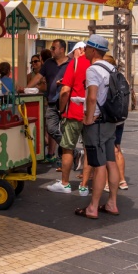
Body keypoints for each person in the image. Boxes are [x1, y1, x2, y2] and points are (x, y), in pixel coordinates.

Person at [72, 35, 120, 219]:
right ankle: (112, 203)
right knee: (111, 162)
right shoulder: (112, 67)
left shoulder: (93, 69)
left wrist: (88, 119)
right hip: (110, 120)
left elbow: (92, 97)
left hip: (97, 122)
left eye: (86, 49)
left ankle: (92, 207)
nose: (84, 52)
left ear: (93, 50)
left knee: (98, 165)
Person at [50, 41, 90, 194]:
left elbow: (65, 91)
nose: (72, 55)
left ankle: (65, 184)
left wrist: (61, 109)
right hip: (91, 113)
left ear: (80, 50)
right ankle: (84, 186)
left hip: (73, 112)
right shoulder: (95, 63)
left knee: (67, 148)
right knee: (88, 150)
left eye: (73, 52)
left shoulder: (75, 63)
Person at [26, 40, 69, 163]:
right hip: (51, 102)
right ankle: (71, 150)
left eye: (53, 48)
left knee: (65, 131)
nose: (51, 50)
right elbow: (38, 77)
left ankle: (64, 157)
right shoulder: (49, 63)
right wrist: (26, 89)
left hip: (66, 102)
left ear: (62, 49)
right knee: (51, 129)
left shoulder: (71, 64)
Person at [103, 54, 129, 191]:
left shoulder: (106, 77)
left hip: (109, 117)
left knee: (108, 150)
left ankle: (107, 182)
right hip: (121, 118)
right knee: (118, 148)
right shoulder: (121, 77)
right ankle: (122, 180)